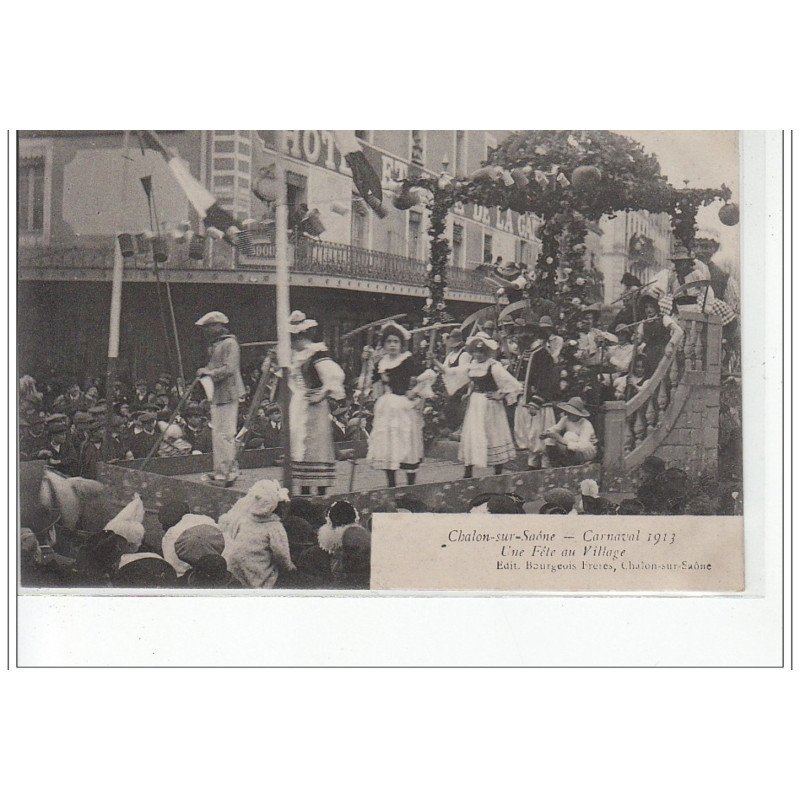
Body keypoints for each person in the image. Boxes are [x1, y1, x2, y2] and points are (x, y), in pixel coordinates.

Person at [365, 321, 433, 487]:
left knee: (406, 442)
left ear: (401, 344)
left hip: (404, 407)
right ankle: (391, 485)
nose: (392, 345)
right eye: (389, 342)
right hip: (387, 408)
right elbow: (368, 382)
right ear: (384, 344)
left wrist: (414, 391)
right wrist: (366, 362)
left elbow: (429, 376)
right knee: (389, 444)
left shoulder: (407, 360)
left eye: (396, 342)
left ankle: (410, 485)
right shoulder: (381, 363)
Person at [288, 310, 346, 496]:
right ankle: (304, 490)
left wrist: (322, 394)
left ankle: (321, 490)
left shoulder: (316, 352)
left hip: (315, 406)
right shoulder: (293, 355)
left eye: (295, 337)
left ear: (303, 336)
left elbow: (335, 375)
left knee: (317, 446)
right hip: (300, 404)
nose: (293, 341)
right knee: (301, 446)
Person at [458, 332, 522, 478]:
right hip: (475, 405)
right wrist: (469, 393)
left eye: (481, 352)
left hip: (490, 405)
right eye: (475, 351)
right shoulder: (473, 365)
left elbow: (514, 384)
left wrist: (500, 395)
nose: (478, 355)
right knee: (473, 433)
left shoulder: (494, 366)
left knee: (493, 434)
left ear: (486, 352)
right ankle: (468, 471)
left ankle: (498, 471)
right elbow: (470, 380)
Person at [195, 311, 246, 486]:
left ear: (218, 326)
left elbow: (229, 369)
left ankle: (225, 474)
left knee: (224, 435)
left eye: (209, 327)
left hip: (228, 393)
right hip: (218, 393)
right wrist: (205, 371)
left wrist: (208, 372)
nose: (206, 331)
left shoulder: (230, 343)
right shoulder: (216, 345)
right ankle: (225, 471)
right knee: (219, 435)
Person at [221, 479, 295, 589]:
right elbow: (281, 555)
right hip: (257, 571)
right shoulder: (274, 527)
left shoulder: (244, 519)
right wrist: (290, 567)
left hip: (234, 567)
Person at [635, 295, 684, 377]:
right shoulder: (643, 323)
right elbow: (639, 338)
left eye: (651, 307)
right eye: (646, 307)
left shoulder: (664, 318)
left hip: (662, 351)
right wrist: (636, 338)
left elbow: (679, 331)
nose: (649, 310)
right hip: (649, 354)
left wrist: (670, 344)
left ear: (656, 307)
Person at [541, 396, 598, 466]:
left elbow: (583, 446)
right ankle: (553, 464)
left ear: (578, 415)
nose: (568, 415)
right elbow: (556, 428)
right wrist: (547, 433)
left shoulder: (586, 424)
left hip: (587, 451)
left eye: (572, 413)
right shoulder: (566, 419)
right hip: (571, 447)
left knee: (569, 435)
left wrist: (561, 440)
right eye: (568, 412)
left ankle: (572, 462)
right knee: (551, 438)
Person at [436, 328, 472, 432]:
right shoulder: (451, 355)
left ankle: (453, 426)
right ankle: (443, 423)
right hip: (450, 383)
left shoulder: (464, 354)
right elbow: (443, 369)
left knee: (453, 400)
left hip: (462, 385)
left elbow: (463, 373)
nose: (454, 347)